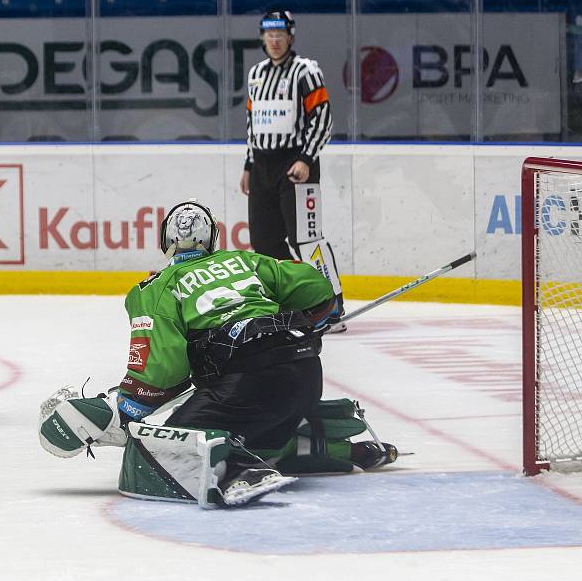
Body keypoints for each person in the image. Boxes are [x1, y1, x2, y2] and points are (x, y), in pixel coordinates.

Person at [38, 201, 397, 508]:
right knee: (252, 424)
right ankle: (336, 449)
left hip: (248, 383)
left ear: (165, 241)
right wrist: (305, 313)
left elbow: (161, 372)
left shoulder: (157, 286)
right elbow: (317, 289)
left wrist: (122, 410)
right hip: (305, 373)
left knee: (163, 444)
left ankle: (239, 471)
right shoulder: (245, 261)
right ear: (213, 238)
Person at [239, 10, 347, 333]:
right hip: (262, 166)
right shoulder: (257, 74)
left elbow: (323, 118)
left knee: (306, 239)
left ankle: (332, 302)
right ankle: (297, 297)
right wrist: (248, 164)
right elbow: (252, 123)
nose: (274, 41)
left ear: (290, 36)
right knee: (265, 241)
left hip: (296, 164)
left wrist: (305, 157)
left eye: (280, 35)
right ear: (262, 38)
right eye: (268, 35)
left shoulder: (306, 72)